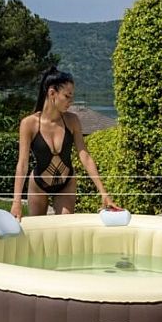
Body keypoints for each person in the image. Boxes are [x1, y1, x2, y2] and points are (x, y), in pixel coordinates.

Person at [10, 67, 116, 219]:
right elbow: (22, 164)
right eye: (67, 96)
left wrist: (103, 193)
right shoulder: (29, 124)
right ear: (52, 93)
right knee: (38, 229)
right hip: (39, 185)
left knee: (64, 224)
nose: (70, 101)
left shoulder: (72, 121)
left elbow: (85, 156)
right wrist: (16, 202)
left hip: (66, 184)